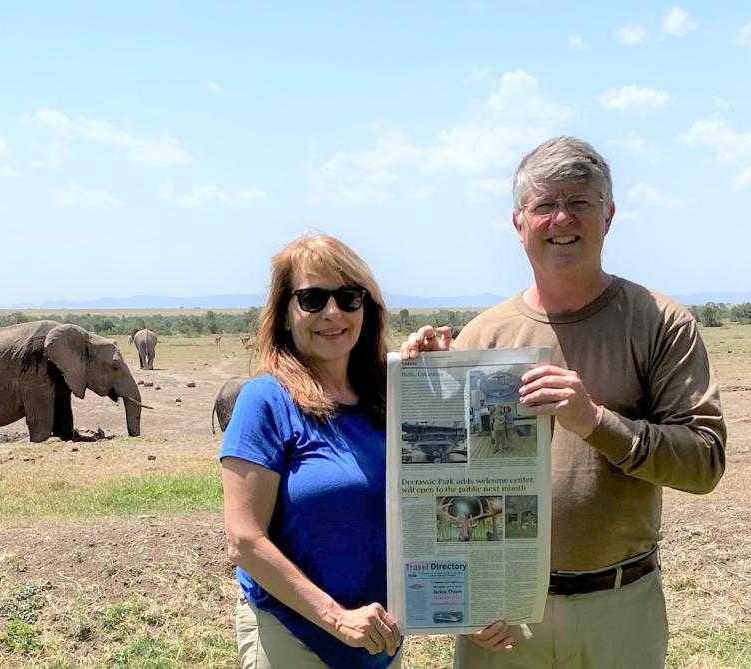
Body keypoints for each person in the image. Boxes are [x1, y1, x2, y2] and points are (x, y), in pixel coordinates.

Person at [401, 136, 726, 669]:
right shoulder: (481, 335)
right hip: (502, 617)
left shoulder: (660, 323)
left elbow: (705, 463)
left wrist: (595, 421)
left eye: (579, 201)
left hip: (618, 605)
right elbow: (442, 487)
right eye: (544, 204)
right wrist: (427, 381)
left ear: (609, 215)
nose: (561, 219)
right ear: (518, 222)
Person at [221, 233, 403, 668]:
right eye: (312, 298)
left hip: (380, 637)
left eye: (348, 297)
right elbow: (244, 540)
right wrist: (337, 619)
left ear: (367, 308)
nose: (333, 313)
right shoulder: (265, 400)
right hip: (294, 637)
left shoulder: (387, 397)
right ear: (285, 314)